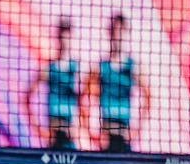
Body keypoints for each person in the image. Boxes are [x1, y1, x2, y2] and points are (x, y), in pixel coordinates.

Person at [83, 14, 150, 152]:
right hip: (106, 135)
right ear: (110, 34)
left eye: (121, 31)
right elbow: (83, 99)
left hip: (124, 136)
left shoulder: (133, 66)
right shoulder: (100, 67)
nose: (118, 35)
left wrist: (137, 129)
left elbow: (148, 97)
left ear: (126, 34)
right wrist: (91, 133)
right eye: (115, 31)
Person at [25, 18, 81, 149]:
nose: (64, 41)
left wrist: (79, 127)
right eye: (62, 37)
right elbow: (27, 97)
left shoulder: (77, 68)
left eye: (67, 37)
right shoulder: (48, 68)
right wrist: (38, 129)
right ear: (58, 38)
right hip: (52, 134)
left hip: (69, 133)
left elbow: (84, 100)